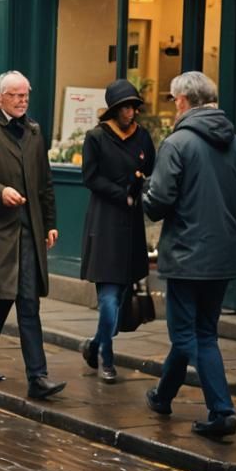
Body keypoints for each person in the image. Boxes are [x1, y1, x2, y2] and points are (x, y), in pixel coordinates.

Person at [142, 71, 236, 438]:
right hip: (221, 256)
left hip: (185, 255)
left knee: (190, 337)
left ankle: (221, 409)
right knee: (200, 331)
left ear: (183, 101)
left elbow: (159, 201)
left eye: (174, 99)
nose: (173, 104)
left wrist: (142, 197)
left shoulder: (178, 143)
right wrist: (222, 225)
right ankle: (163, 395)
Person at [0, 70, 65, 400]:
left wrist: (49, 222)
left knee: (26, 301)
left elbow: (44, 183)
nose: (23, 101)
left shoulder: (33, 132)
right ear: (0, 97)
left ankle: (37, 377)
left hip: (28, 230)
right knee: (4, 298)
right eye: (16, 95)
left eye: (26, 95)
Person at [79, 80, 157, 382]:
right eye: (125, 106)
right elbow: (90, 177)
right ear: (114, 109)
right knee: (109, 297)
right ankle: (107, 359)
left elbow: (151, 168)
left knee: (123, 295)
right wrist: (120, 194)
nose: (131, 112)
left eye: (134, 105)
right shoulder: (96, 137)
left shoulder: (143, 137)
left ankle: (95, 343)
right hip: (105, 223)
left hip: (132, 225)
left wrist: (141, 187)